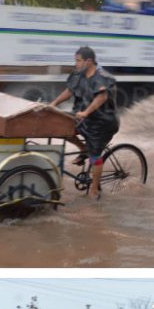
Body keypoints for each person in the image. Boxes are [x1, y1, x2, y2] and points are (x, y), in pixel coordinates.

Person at [48, 46, 120, 200]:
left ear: (89, 61)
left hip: (102, 122)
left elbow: (101, 97)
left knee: (95, 156)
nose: (76, 64)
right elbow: (69, 91)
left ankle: (94, 189)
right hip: (84, 118)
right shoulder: (78, 75)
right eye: (76, 60)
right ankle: (83, 148)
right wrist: (53, 104)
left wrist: (87, 112)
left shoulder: (101, 76)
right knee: (63, 128)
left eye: (78, 61)